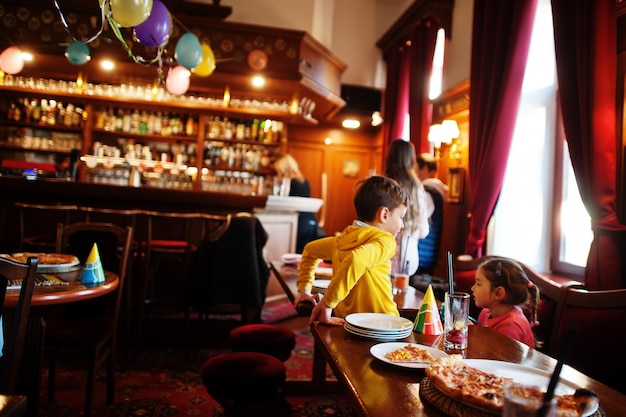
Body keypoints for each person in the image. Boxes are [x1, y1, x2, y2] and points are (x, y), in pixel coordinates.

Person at [293, 175, 409, 325]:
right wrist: (327, 303)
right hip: (382, 324)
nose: (402, 225)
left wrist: (304, 290)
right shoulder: (385, 240)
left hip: (347, 321)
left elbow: (309, 250)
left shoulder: (341, 240)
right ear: (384, 214)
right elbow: (356, 259)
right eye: (401, 217)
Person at [383, 139, 429, 277]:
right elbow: (423, 232)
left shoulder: (383, 184)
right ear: (411, 160)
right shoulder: (418, 188)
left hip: (383, 252)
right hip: (409, 257)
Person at [470, 257, 540, 348]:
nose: (472, 288)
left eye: (479, 284)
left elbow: (498, 359)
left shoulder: (511, 326)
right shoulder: (486, 313)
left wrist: (472, 335)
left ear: (498, 293)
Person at [274, 154, 325, 253]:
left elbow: (284, 203)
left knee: (294, 254)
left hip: (298, 223)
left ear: (284, 169)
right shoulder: (303, 180)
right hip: (310, 221)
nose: (278, 173)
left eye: (279, 171)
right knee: (304, 255)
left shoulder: (290, 182)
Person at [415, 153, 449, 275]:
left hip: (421, 254)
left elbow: (419, 222)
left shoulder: (427, 193)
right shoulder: (435, 192)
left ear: (432, 171)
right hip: (429, 252)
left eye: (421, 169)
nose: (417, 172)